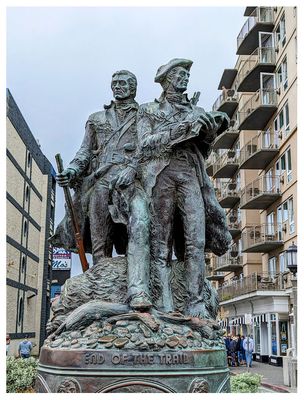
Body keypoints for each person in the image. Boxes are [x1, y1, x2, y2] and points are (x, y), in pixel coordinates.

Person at [137, 58, 232, 316]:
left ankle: (195, 302)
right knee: (160, 243)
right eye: (179, 74)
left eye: (186, 75)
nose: (184, 78)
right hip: (162, 175)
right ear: (166, 79)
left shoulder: (196, 109)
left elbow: (202, 149)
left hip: (191, 175)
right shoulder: (148, 111)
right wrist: (183, 128)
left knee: (196, 241)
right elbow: (145, 144)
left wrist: (210, 132)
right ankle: (162, 302)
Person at [52, 70, 152, 310]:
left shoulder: (144, 116)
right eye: (114, 83)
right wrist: (73, 171)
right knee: (99, 239)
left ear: (133, 88)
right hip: (101, 179)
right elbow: (84, 152)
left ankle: (135, 285)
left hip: (130, 180)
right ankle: (99, 286)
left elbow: (149, 150)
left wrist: (134, 167)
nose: (118, 87)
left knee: (136, 230)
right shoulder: (96, 118)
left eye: (123, 83)